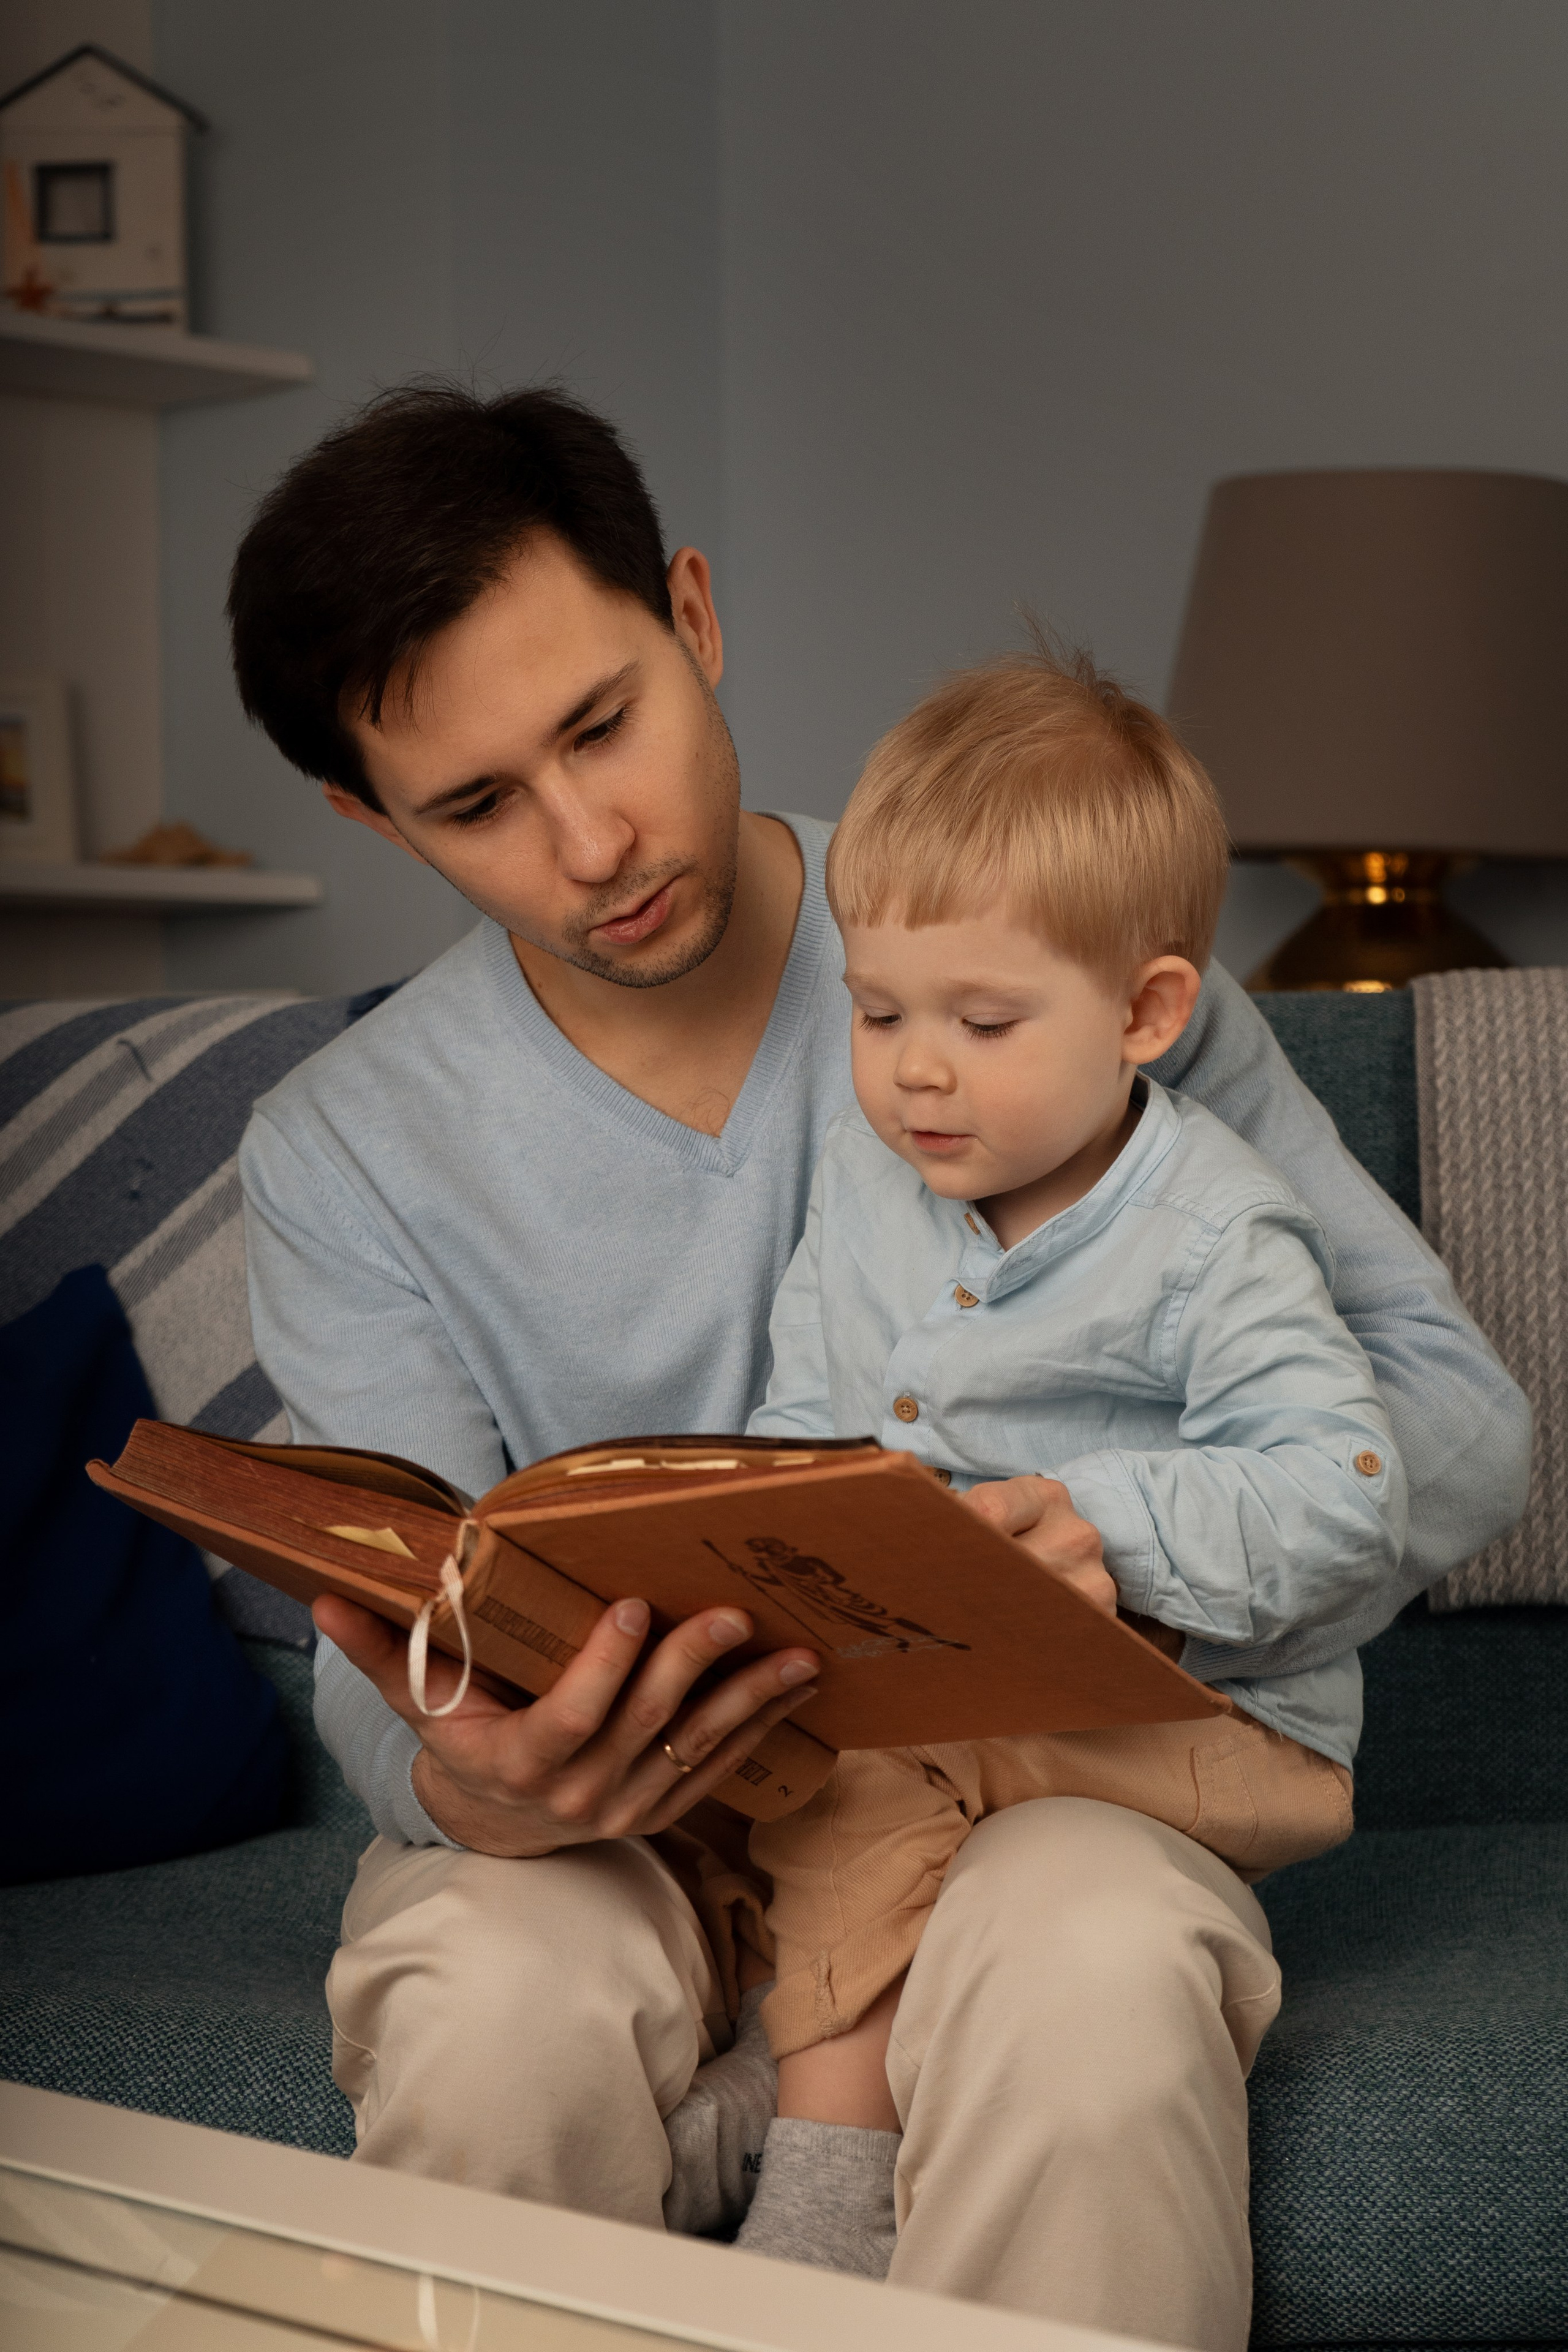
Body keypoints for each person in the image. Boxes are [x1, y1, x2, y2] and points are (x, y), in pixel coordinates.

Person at [227, 382, 1529, 2351]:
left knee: (1090, 1962)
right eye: (477, 806)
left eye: (604, 723)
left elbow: (1452, 1417)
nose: (594, 843)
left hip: (1042, 1793)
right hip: (624, 1833)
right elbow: (398, 1635)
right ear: (363, 817)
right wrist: (471, 1783)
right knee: (491, 2002)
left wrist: (1123, 1546)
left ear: (695, 613)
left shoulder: (1032, 934)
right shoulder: (342, 1150)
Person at [733, 646, 1400, 2279]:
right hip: (957, 1693)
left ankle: (818, 2165)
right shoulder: (867, 1183)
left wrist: (1109, 1523)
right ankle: (801, 2102)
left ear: (1147, 1014)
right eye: (880, 1010)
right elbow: (798, 1418)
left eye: (981, 1018)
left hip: (1200, 1728)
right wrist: (748, 1543)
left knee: (873, 1779)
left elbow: (1350, 1493)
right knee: (777, 1759)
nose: (918, 1068)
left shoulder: (1212, 1231)